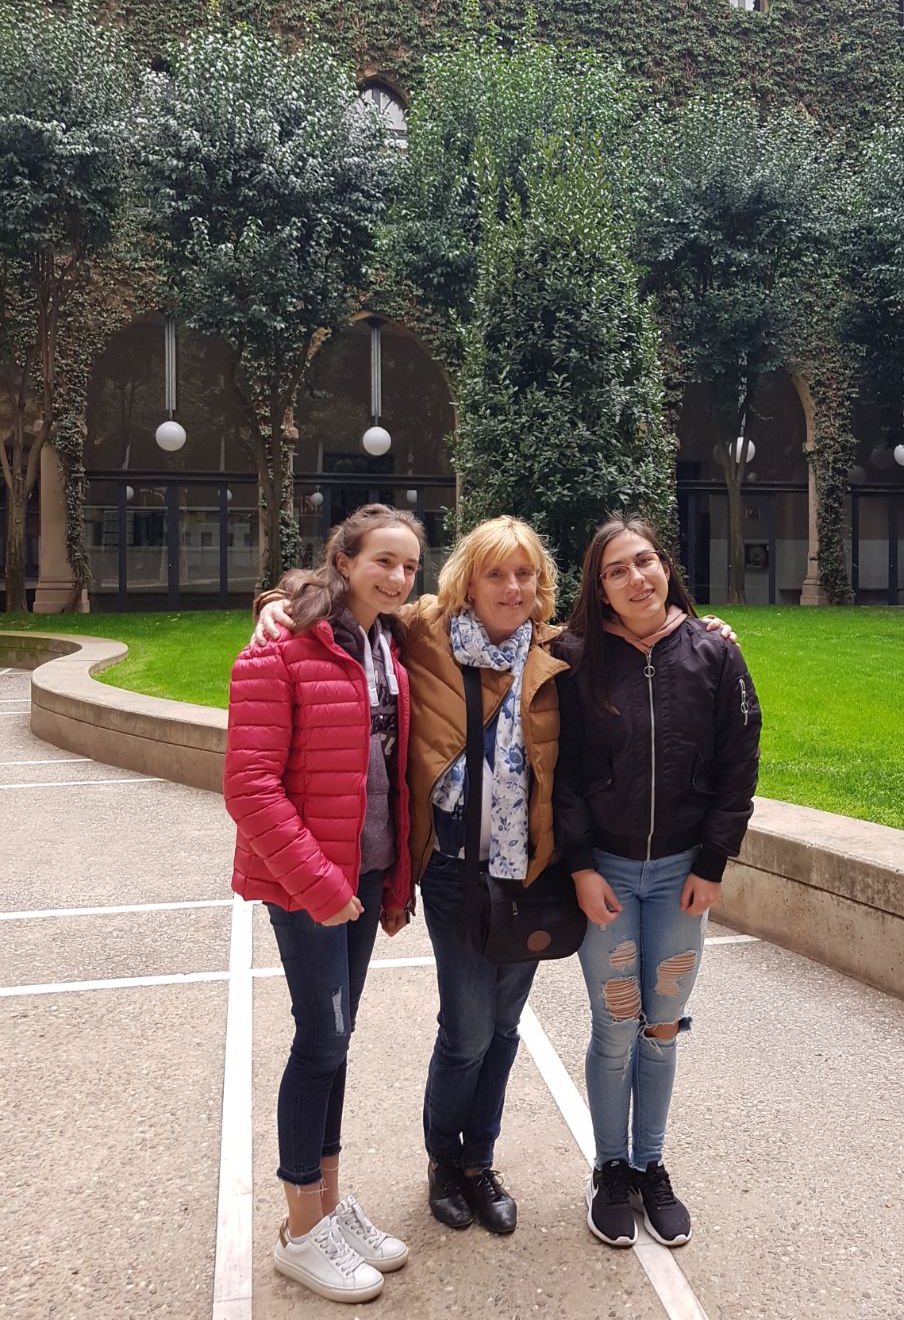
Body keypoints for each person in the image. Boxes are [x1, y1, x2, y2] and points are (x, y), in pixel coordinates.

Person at [254, 515, 568, 1238]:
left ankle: (479, 1161)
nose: (511, 588)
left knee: (505, 1029)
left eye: (524, 574)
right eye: (495, 573)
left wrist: (705, 628)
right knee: (466, 1031)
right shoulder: (424, 632)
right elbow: (339, 601)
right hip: (454, 868)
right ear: (466, 582)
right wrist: (276, 601)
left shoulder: (558, 649)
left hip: (530, 872)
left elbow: (642, 636)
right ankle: (441, 1162)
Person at [224, 504, 423, 1304]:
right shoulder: (280, 645)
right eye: (383, 561)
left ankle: (327, 1208)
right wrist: (321, 886)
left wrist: (383, 882)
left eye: (409, 566)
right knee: (320, 1042)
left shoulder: (387, 641)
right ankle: (301, 1231)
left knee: (336, 1042)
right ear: (342, 560)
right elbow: (249, 786)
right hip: (312, 883)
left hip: (363, 875)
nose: (398, 577)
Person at [554, 515, 761, 1251]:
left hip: (681, 876)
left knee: (662, 1027)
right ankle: (610, 1170)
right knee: (616, 1025)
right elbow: (562, 773)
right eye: (617, 570)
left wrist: (713, 862)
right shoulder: (574, 658)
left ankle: (650, 1165)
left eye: (645, 561)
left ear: (666, 566)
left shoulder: (714, 652)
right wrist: (580, 866)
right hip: (606, 874)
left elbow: (740, 763)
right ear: (600, 588)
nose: (636, 578)